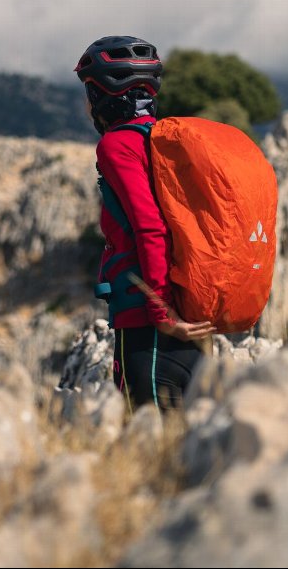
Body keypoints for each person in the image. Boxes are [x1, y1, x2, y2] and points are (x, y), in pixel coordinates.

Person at [75, 35, 215, 412]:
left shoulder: (118, 145)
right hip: (191, 308)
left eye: (89, 92)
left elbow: (149, 227)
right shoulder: (163, 139)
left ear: (104, 94)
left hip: (148, 320)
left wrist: (160, 312)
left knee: (147, 437)